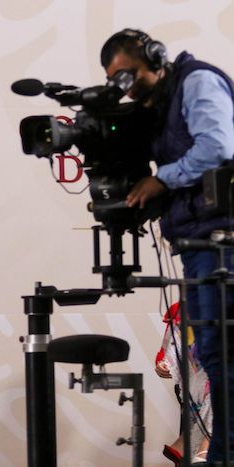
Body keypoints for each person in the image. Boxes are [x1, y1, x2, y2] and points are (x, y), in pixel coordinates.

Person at [101, 28, 234, 464]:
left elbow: (218, 147)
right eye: (116, 81)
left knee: (224, 355)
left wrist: (162, 179)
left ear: (155, 58)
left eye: (129, 75)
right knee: (214, 356)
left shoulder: (197, 82)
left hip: (223, 243)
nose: (128, 88)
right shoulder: (159, 108)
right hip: (199, 243)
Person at [156, 303, 212, 465]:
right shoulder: (185, 309)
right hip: (199, 380)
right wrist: (164, 365)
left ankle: (190, 443)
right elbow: (167, 355)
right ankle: (204, 446)